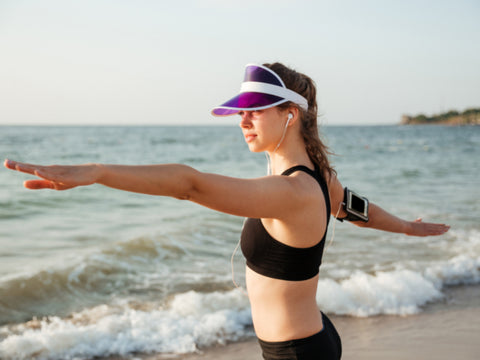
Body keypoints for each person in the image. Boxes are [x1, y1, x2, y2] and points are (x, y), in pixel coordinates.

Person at [4, 63, 450, 360]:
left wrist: (99, 172)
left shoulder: (294, 189)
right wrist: (407, 228)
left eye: (255, 111)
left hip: (295, 353)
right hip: (308, 340)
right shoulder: (313, 176)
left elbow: (189, 184)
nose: (243, 120)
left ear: (290, 114)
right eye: (241, 111)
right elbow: (354, 207)